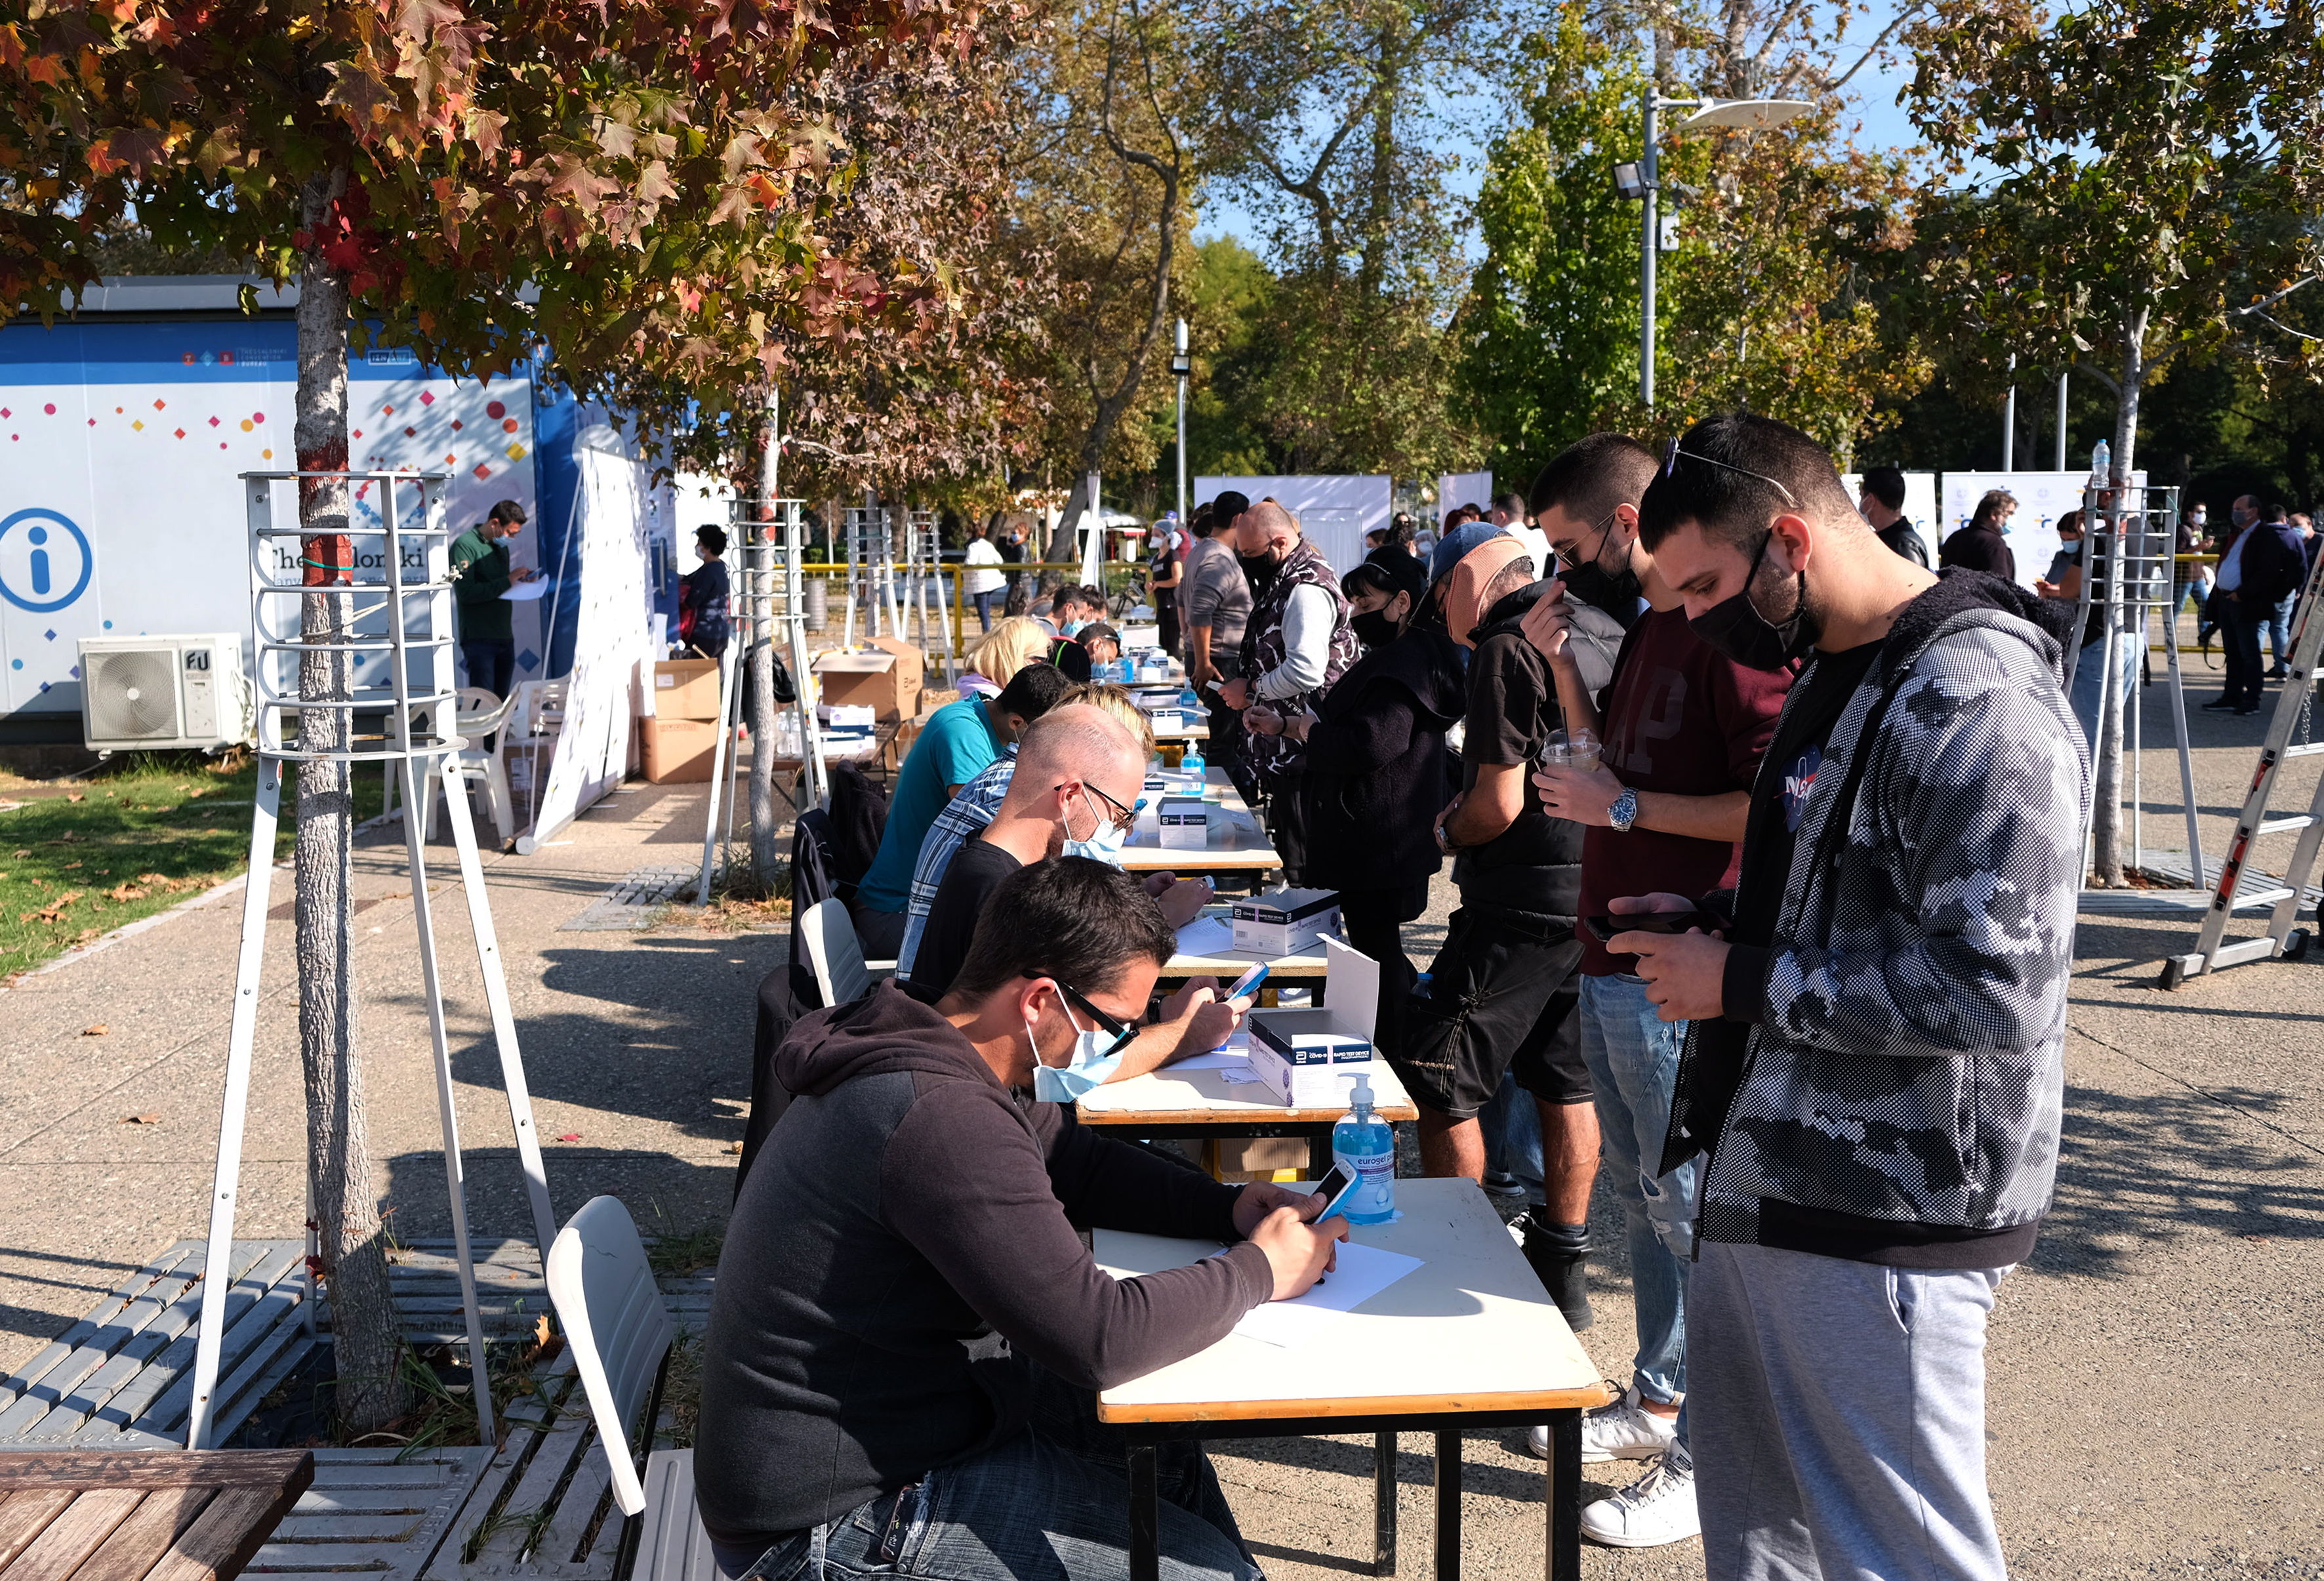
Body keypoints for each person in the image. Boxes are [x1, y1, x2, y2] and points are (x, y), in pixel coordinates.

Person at [1617, 411, 2086, 1581]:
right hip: (1773, 1184)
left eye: (1703, 587)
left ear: (1786, 541)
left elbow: (1995, 988)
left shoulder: (1979, 701)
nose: (1684, 620)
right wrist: (1720, 928)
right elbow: (1848, 899)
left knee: (1899, 1557)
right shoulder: (1845, 674)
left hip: (1889, 1215)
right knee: (1765, 1540)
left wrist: (1736, 980)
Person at [699, 857, 1347, 1581]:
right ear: (1039, 999)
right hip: (824, 1520)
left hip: (889, 1429)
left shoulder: (940, 1046)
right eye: (1113, 1026)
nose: (1117, 1046)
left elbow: (1078, 1160)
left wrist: (1225, 1205)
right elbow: (1098, 1335)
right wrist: (1260, 1270)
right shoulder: (939, 1117)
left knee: (1163, 1448)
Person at [1513, 433, 1797, 1548]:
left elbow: (1772, 806)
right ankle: (1661, 1395)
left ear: (1624, 528)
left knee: (1687, 1209)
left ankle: (1707, 1453)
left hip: (1681, 965)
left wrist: (1623, 815)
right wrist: (1563, 682)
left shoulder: (1725, 639)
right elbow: (1607, 781)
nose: (1559, 570)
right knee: (1647, 1198)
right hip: (1616, 955)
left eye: (1568, 546)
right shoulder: (1646, 634)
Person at [1389, 531, 1623, 1334]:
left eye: (1442, 596)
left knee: (1436, 1073)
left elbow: (1499, 802)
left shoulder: (1503, 646)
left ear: (1467, 580)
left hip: (1519, 899)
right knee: (1565, 1078)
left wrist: (1448, 828)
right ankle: (1564, 1268)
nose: (1442, 617)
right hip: (1592, 891)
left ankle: (1461, 1263)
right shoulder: (1600, 624)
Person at [1249, 551, 1461, 1050]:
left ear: (1402, 601)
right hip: (1384, 830)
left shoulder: (1406, 662)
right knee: (1374, 947)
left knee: (1375, 950)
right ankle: (1395, 1035)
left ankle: (1394, 1046)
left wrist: (1307, 729)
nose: (1357, 610)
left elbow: (1370, 744)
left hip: (1377, 835)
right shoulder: (1415, 656)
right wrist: (1289, 727)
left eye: (1366, 599)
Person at [896, 683, 1206, 981]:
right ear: (1071, 793)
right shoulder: (1009, 883)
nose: (1121, 829)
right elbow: (1093, 968)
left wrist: (1131, 898)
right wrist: (1162, 918)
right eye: (1119, 814)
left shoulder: (1010, 812)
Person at [850, 664, 1070, 955]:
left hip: (926, 903)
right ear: (1017, 723)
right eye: (1048, 738)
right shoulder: (962, 734)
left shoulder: (984, 718)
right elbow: (991, 832)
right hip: (898, 910)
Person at [1219, 503, 1360, 878]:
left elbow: (1306, 670)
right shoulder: (1288, 576)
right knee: (1296, 850)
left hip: (1302, 750)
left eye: (1250, 554)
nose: (1245, 562)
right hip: (1290, 741)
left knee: (1303, 863)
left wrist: (1252, 690)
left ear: (1279, 543)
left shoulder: (1305, 588)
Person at [2207, 496, 2309, 714]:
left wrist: (2243, 594)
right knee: (2232, 652)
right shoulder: (2238, 535)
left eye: (2239, 509)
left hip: (2247, 603)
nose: (2234, 512)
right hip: (2227, 600)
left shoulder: (2265, 536)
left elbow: (2270, 572)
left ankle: (2251, 698)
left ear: (2253, 511)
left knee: (2250, 653)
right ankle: (2232, 695)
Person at [1181, 500, 1255, 796]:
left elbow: (1185, 603)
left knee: (1219, 742)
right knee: (1223, 744)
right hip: (1218, 661)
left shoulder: (1202, 549)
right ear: (1239, 518)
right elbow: (1199, 611)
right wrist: (1202, 660)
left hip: (1211, 657)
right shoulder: (1219, 558)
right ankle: (1224, 813)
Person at [450, 499, 535, 700]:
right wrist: (508, 580)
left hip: (504, 635)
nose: (512, 538)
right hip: (479, 637)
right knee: (483, 702)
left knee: (500, 702)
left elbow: (498, 585)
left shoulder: (500, 546)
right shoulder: (465, 545)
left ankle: (498, 734)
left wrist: (520, 581)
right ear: (495, 523)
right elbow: (467, 593)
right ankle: (482, 734)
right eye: (510, 533)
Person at [956, 617, 1051, 699]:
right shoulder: (993, 704)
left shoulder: (973, 687)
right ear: (1018, 657)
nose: (1045, 668)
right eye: (1042, 661)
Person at [1937, 487, 2018, 581]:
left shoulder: (1955, 537)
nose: (2012, 518)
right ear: (1994, 515)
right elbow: (2001, 588)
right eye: (2010, 513)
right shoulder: (1994, 544)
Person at [678, 524, 733, 659]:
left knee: (688, 671)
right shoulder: (720, 567)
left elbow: (692, 600)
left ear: (707, 548)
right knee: (711, 675)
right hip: (720, 634)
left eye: (699, 543)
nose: (696, 546)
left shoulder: (709, 571)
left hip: (704, 634)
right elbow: (688, 579)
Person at [2260, 501, 2301, 676]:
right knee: (2280, 628)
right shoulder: (2293, 537)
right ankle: (2283, 668)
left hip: (2260, 590)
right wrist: (2298, 587)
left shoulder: (2258, 535)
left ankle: (2252, 668)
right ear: (2284, 519)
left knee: (2259, 628)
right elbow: (2303, 565)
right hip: (2286, 590)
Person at [1857, 464, 1926, 566]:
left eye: (1861, 496)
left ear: (1870, 499)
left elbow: (1915, 581)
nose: (1860, 503)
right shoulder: (1888, 539)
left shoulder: (1905, 545)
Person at [964, 520, 1008, 633]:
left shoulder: (973, 546)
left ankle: (986, 633)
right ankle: (987, 631)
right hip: (992, 581)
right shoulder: (987, 545)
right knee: (986, 610)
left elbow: (970, 562)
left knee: (983, 611)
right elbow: (999, 560)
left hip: (980, 583)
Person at [1150, 516, 1183, 655]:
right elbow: (1156, 579)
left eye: (1157, 535)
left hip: (1172, 607)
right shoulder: (1157, 558)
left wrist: (1158, 584)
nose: (1154, 537)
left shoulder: (1173, 555)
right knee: (1162, 646)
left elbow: (1177, 579)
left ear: (1166, 537)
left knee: (1172, 647)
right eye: (1153, 535)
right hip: (1162, 607)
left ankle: (1177, 673)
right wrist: (1152, 585)